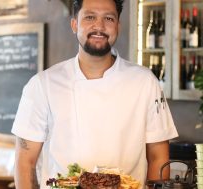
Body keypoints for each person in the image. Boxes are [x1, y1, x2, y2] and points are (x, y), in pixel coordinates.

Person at [11, 0, 179, 188]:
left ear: (118, 26)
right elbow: (25, 161)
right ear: (74, 24)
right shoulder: (42, 85)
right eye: (90, 17)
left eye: (108, 18)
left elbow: (158, 156)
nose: (99, 26)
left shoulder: (145, 82)